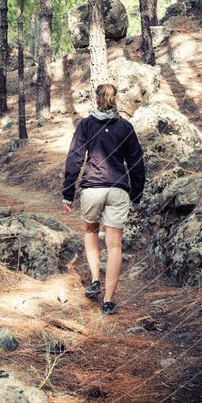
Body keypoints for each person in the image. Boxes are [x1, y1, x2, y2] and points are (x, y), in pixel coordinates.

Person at [61, 82, 145, 315]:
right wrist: (137, 196)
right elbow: (137, 163)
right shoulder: (125, 127)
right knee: (115, 245)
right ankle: (108, 301)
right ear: (114, 100)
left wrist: (68, 193)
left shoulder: (86, 125)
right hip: (119, 190)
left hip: (92, 189)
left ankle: (96, 279)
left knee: (90, 232)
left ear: (96, 100)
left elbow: (75, 159)